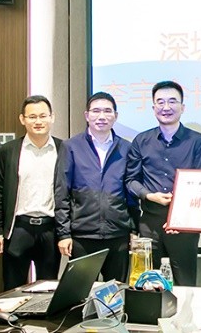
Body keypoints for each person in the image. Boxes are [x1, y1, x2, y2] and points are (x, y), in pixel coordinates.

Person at [125, 81, 201, 286]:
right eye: (160, 102)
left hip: (184, 224)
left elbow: (200, 182)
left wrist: (178, 216)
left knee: (185, 283)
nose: (166, 107)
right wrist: (148, 195)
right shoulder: (141, 140)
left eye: (172, 101)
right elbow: (131, 180)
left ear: (183, 107)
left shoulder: (197, 141)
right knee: (149, 283)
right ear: (153, 107)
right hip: (150, 224)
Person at [56, 92, 137, 283]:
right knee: (80, 291)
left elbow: (131, 192)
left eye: (107, 111)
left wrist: (134, 230)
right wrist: (64, 234)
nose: (102, 116)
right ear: (87, 115)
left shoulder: (126, 148)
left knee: (117, 291)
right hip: (82, 235)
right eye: (96, 111)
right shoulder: (71, 146)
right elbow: (61, 192)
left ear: (115, 116)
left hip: (118, 235)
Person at [0, 95, 64, 290]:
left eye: (43, 116)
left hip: (50, 229)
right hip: (18, 228)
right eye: (32, 117)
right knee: (13, 288)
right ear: (22, 119)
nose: (38, 121)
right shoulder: (8, 150)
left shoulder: (63, 149)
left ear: (52, 117)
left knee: (48, 288)